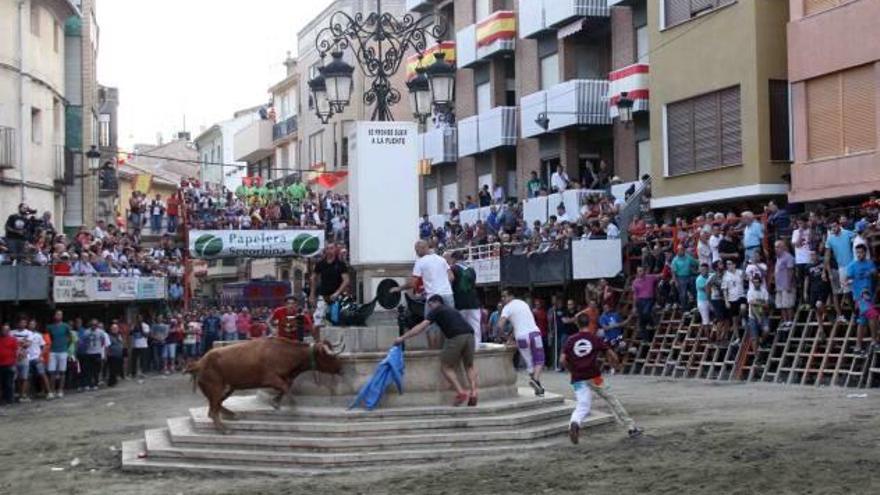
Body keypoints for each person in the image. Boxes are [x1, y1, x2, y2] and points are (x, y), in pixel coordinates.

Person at [560, 314, 643, 444]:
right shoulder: (594, 338)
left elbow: (562, 360)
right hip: (595, 377)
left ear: (577, 324)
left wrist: (572, 370)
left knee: (583, 405)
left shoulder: (570, 340)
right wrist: (615, 364)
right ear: (589, 323)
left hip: (578, 379)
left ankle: (574, 424)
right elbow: (610, 353)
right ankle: (631, 427)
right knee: (611, 399)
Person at [395, 295, 479, 407]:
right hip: (469, 335)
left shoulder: (437, 310)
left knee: (446, 367)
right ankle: (474, 392)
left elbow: (421, 327)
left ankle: (461, 392)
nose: (429, 308)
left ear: (435, 302)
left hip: (456, 336)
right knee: (469, 366)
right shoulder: (451, 310)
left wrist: (402, 338)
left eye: (430, 305)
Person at [390, 241, 454, 349]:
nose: (416, 252)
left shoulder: (420, 262)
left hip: (433, 297)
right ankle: (444, 351)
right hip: (448, 295)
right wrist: (442, 284)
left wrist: (399, 288)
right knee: (447, 325)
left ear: (423, 248)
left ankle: (432, 353)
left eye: (417, 250)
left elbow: (412, 283)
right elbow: (451, 277)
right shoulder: (441, 259)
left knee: (429, 326)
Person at [496, 289, 546, 396]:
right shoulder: (523, 303)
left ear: (511, 296)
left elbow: (500, 325)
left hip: (521, 337)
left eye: (504, 296)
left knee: (529, 363)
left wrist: (505, 337)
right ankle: (536, 380)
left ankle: (537, 386)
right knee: (539, 359)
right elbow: (524, 321)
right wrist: (509, 337)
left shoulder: (507, 308)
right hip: (534, 333)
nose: (503, 299)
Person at [310, 244, 351, 330]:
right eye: (327, 249)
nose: (329, 251)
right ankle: (318, 342)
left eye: (331, 248)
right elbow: (313, 278)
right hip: (323, 295)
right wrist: (312, 294)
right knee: (317, 320)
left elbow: (346, 280)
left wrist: (338, 292)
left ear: (335, 250)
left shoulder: (340, 264)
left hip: (337, 296)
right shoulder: (320, 264)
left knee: (336, 320)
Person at [446, 252, 482, 348]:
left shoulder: (452, 268)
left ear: (453, 259)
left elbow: (449, 282)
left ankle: (462, 347)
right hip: (473, 302)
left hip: (459, 302)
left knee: (460, 326)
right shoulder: (471, 269)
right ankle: (476, 347)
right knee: (475, 326)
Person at [847, 244, 877, 354]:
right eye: (857, 252)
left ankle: (858, 347)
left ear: (865, 252)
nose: (859, 254)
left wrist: (873, 273)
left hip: (869, 296)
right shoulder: (852, 266)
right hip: (860, 297)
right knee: (873, 316)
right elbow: (847, 279)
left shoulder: (870, 263)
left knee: (862, 322)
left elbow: (875, 274)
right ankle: (874, 342)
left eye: (861, 252)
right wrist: (848, 281)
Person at [825, 220, 856, 322]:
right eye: (831, 227)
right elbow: (827, 256)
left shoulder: (847, 233)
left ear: (839, 225)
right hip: (841, 267)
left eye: (835, 226)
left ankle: (861, 312)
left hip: (853, 265)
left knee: (857, 289)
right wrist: (828, 272)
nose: (833, 229)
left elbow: (858, 240)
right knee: (847, 292)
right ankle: (855, 313)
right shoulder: (830, 239)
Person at [12, 318, 46, 401]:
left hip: (26, 357)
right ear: (17, 323)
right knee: (17, 377)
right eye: (21, 322)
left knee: (26, 377)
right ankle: (20, 394)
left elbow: (27, 344)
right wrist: (20, 343)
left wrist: (40, 356)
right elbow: (12, 344)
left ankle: (23, 395)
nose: (23, 324)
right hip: (14, 358)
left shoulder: (31, 333)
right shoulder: (12, 332)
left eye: (24, 323)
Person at [46, 310, 73, 398]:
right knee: (52, 372)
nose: (58, 316)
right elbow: (47, 338)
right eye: (57, 314)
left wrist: (65, 346)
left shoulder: (66, 326)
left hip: (63, 351)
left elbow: (70, 338)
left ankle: (60, 390)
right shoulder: (50, 327)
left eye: (60, 314)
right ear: (54, 316)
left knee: (62, 371)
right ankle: (51, 391)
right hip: (52, 351)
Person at [804, 250, 831, 338]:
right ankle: (821, 330)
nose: (812, 256)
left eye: (814, 254)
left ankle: (827, 313)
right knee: (816, 310)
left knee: (819, 304)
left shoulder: (822, 263)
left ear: (817, 255)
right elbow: (807, 279)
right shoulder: (808, 266)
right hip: (813, 289)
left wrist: (828, 274)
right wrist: (805, 291)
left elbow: (827, 262)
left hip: (823, 287)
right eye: (811, 255)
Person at [632, 266, 660, 341]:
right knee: (641, 320)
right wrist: (634, 306)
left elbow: (660, 276)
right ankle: (645, 339)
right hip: (640, 300)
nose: (640, 273)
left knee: (646, 312)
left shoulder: (650, 277)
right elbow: (635, 295)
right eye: (638, 271)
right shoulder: (635, 282)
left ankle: (652, 323)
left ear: (644, 271)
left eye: (641, 271)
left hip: (649, 299)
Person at [722, 260, 747, 340]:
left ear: (734, 264)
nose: (728, 265)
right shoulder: (726, 276)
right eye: (727, 264)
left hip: (741, 295)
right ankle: (737, 338)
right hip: (732, 298)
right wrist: (726, 301)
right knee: (734, 319)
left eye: (730, 264)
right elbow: (724, 289)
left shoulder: (739, 272)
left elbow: (745, 278)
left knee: (743, 307)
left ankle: (743, 317)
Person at [774, 240, 796, 328]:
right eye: (775, 247)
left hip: (786, 284)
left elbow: (791, 271)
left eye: (778, 247)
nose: (776, 249)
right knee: (780, 304)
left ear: (783, 247)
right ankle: (785, 320)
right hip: (779, 285)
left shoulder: (788, 257)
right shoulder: (778, 258)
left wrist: (789, 284)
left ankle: (790, 320)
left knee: (788, 304)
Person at [81, 320, 109, 390]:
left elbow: (103, 342)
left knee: (96, 370)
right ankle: (88, 384)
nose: (93, 326)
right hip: (88, 352)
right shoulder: (86, 332)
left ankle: (95, 383)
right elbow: (83, 342)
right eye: (92, 324)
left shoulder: (101, 332)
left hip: (97, 352)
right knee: (88, 370)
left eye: (95, 325)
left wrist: (99, 348)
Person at [746, 275, 771, 349]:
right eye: (754, 282)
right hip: (753, 317)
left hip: (763, 314)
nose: (755, 284)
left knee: (766, 330)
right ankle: (756, 356)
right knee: (754, 338)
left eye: (757, 282)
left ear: (760, 283)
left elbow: (767, 305)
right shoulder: (750, 292)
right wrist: (758, 317)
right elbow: (752, 306)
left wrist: (757, 302)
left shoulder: (764, 291)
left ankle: (762, 341)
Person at [671, 245, 698, 311]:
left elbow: (696, 263)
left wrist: (695, 269)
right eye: (680, 250)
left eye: (682, 249)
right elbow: (673, 272)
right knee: (683, 294)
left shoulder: (688, 257)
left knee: (694, 291)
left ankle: (695, 305)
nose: (681, 251)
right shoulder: (675, 260)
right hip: (680, 278)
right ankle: (684, 309)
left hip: (689, 276)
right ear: (677, 251)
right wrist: (676, 281)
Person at [0, 324, 17, 405]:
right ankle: (3, 399)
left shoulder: (13, 339)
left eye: (7, 330)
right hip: (1, 364)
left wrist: (14, 363)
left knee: (9, 383)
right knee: (2, 383)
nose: (5, 331)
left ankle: (9, 399)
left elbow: (15, 352)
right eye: (4, 329)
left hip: (10, 364)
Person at [695, 263, 712, 338]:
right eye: (701, 270)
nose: (703, 271)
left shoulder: (711, 276)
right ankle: (708, 338)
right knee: (706, 321)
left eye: (704, 269)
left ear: (708, 269)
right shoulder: (699, 279)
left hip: (712, 299)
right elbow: (706, 290)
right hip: (703, 301)